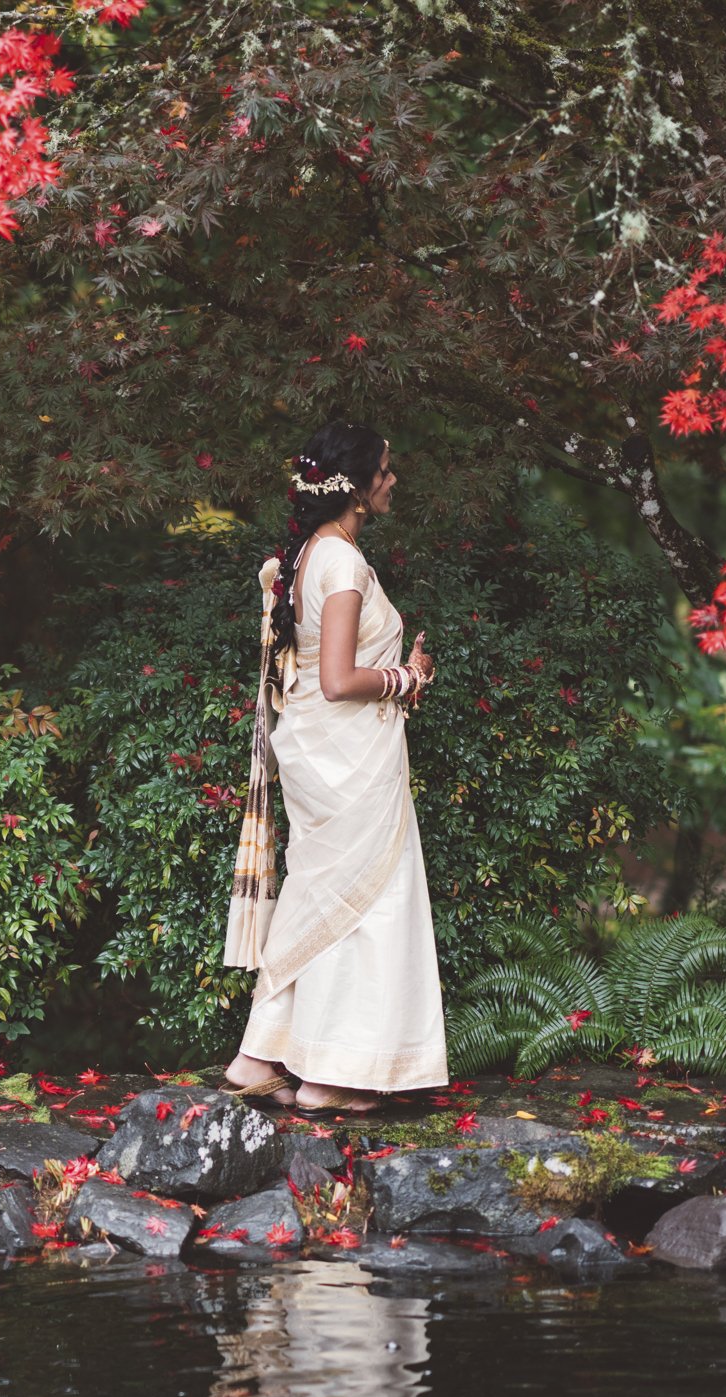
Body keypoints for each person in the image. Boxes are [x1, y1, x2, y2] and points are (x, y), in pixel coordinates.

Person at [220, 421, 447, 1113]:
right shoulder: (342, 565)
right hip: (349, 757)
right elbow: (339, 680)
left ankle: (259, 1056)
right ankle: (329, 1076)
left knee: (324, 894)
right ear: (355, 486)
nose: (393, 480)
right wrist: (408, 678)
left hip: (323, 750)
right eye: (385, 469)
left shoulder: (306, 555)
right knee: (367, 901)